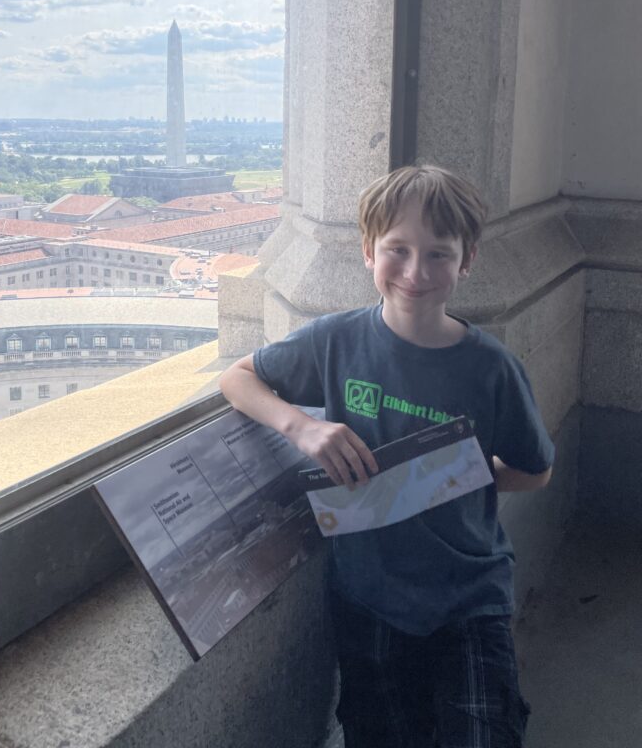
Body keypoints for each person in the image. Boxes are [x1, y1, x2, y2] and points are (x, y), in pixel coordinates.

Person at [219, 164, 554, 748]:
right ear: (368, 251)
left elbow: (535, 470)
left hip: (469, 596)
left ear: (467, 260)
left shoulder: (493, 368)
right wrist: (302, 428)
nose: (415, 272)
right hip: (369, 596)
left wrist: (457, 479)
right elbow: (237, 378)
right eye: (398, 250)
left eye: (438, 254)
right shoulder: (334, 341)